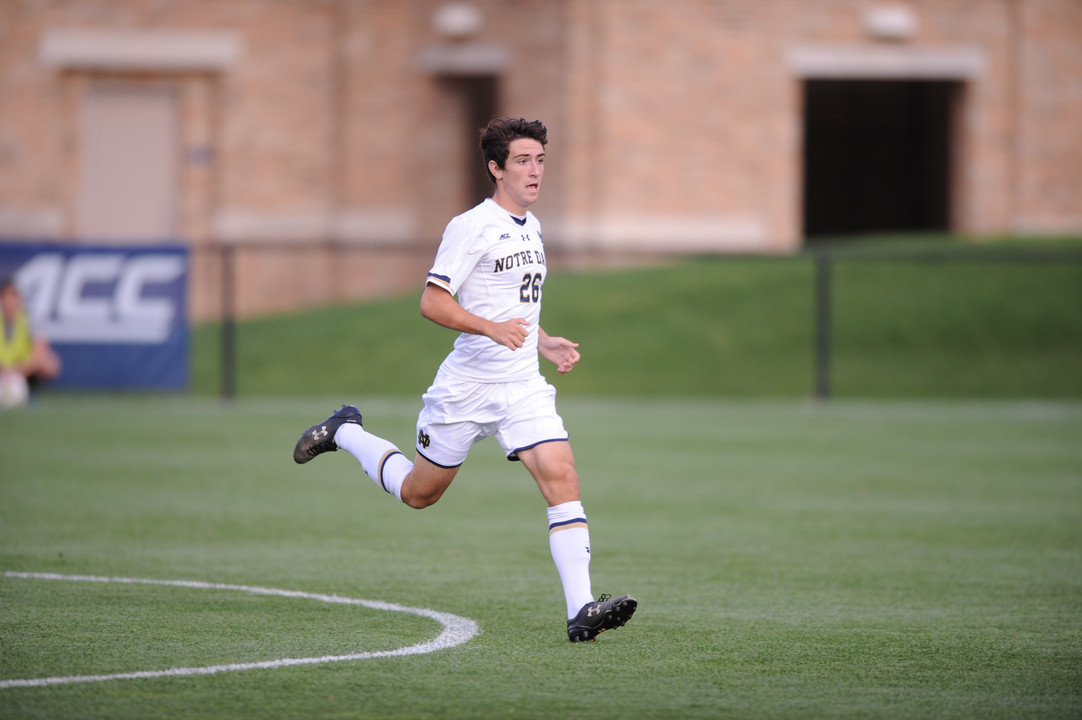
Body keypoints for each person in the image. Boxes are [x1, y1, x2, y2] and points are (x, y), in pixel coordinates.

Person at [293, 117, 636, 642]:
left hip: (522, 387)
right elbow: (433, 301)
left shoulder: (532, 226)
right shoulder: (470, 226)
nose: (535, 170)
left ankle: (581, 610)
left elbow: (511, 300)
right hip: (467, 389)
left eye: (540, 160)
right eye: (522, 160)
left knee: (562, 479)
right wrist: (488, 328)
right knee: (418, 495)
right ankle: (344, 431)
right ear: (496, 168)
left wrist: (541, 340)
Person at [0, 277, 61, 398]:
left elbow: (39, 352)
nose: (10, 301)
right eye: (7, 296)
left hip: (22, 368)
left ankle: (30, 390)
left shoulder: (30, 319)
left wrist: (16, 373)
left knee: (50, 363)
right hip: (2, 369)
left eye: (14, 296)